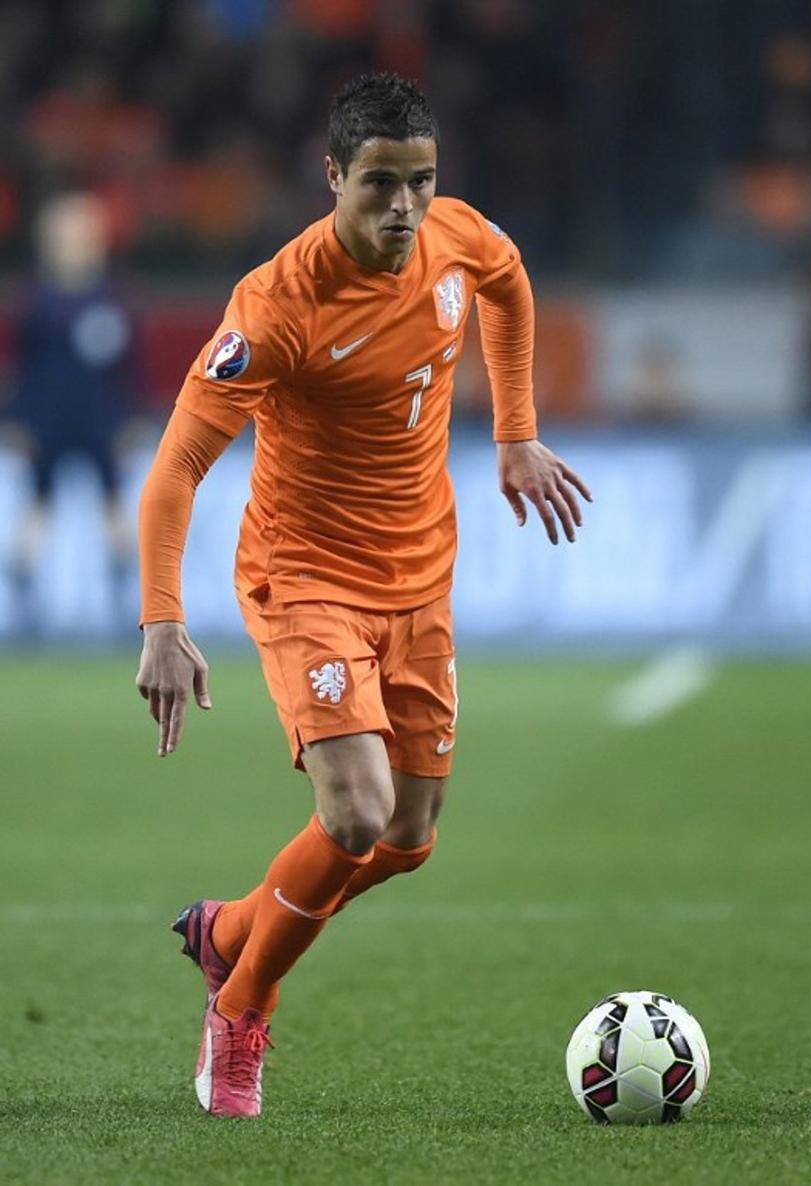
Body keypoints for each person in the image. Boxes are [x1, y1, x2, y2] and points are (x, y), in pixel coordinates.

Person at [135, 73, 591, 1118]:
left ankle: (231, 929)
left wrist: (516, 432)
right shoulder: (278, 305)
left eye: (420, 181)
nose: (404, 206)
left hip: (421, 576)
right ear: (334, 175)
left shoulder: (454, 237)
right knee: (356, 813)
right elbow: (175, 469)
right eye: (380, 182)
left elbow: (511, 282)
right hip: (306, 578)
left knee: (409, 838)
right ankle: (242, 1006)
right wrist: (163, 616)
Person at [4, 192, 138, 634]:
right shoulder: (37, 300)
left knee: (114, 503)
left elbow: (128, 367)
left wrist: (127, 419)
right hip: (49, 415)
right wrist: (19, 420)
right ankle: (25, 603)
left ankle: (124, 602)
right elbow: (23, 367)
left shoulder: (112, 297)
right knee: (38, 503)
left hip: (99, 414)